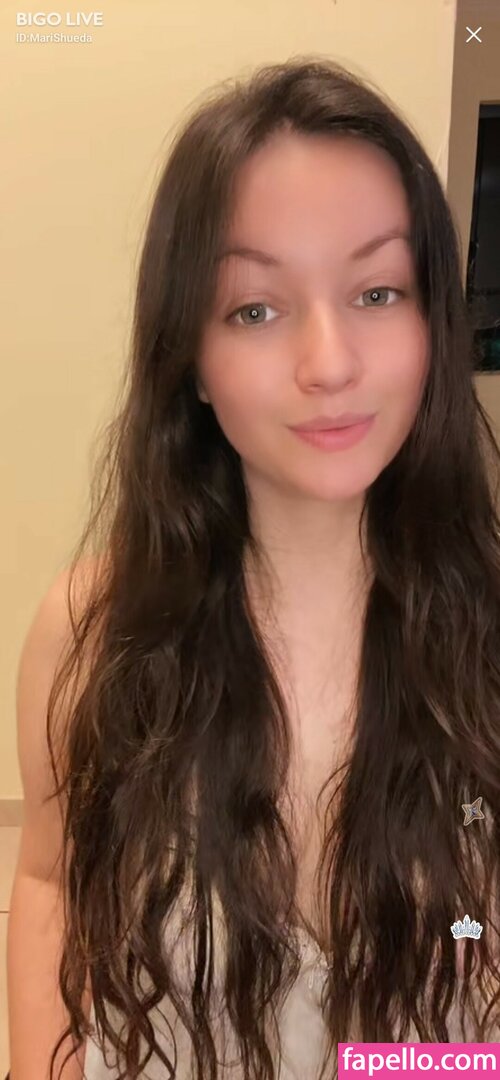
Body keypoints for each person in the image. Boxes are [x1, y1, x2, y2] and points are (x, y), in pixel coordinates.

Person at [7, 55, 500, 1080]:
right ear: (188, 356)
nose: (329, 364)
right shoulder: (94, 629)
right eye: (256, 309)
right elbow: (51, 880)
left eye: (376, 291)